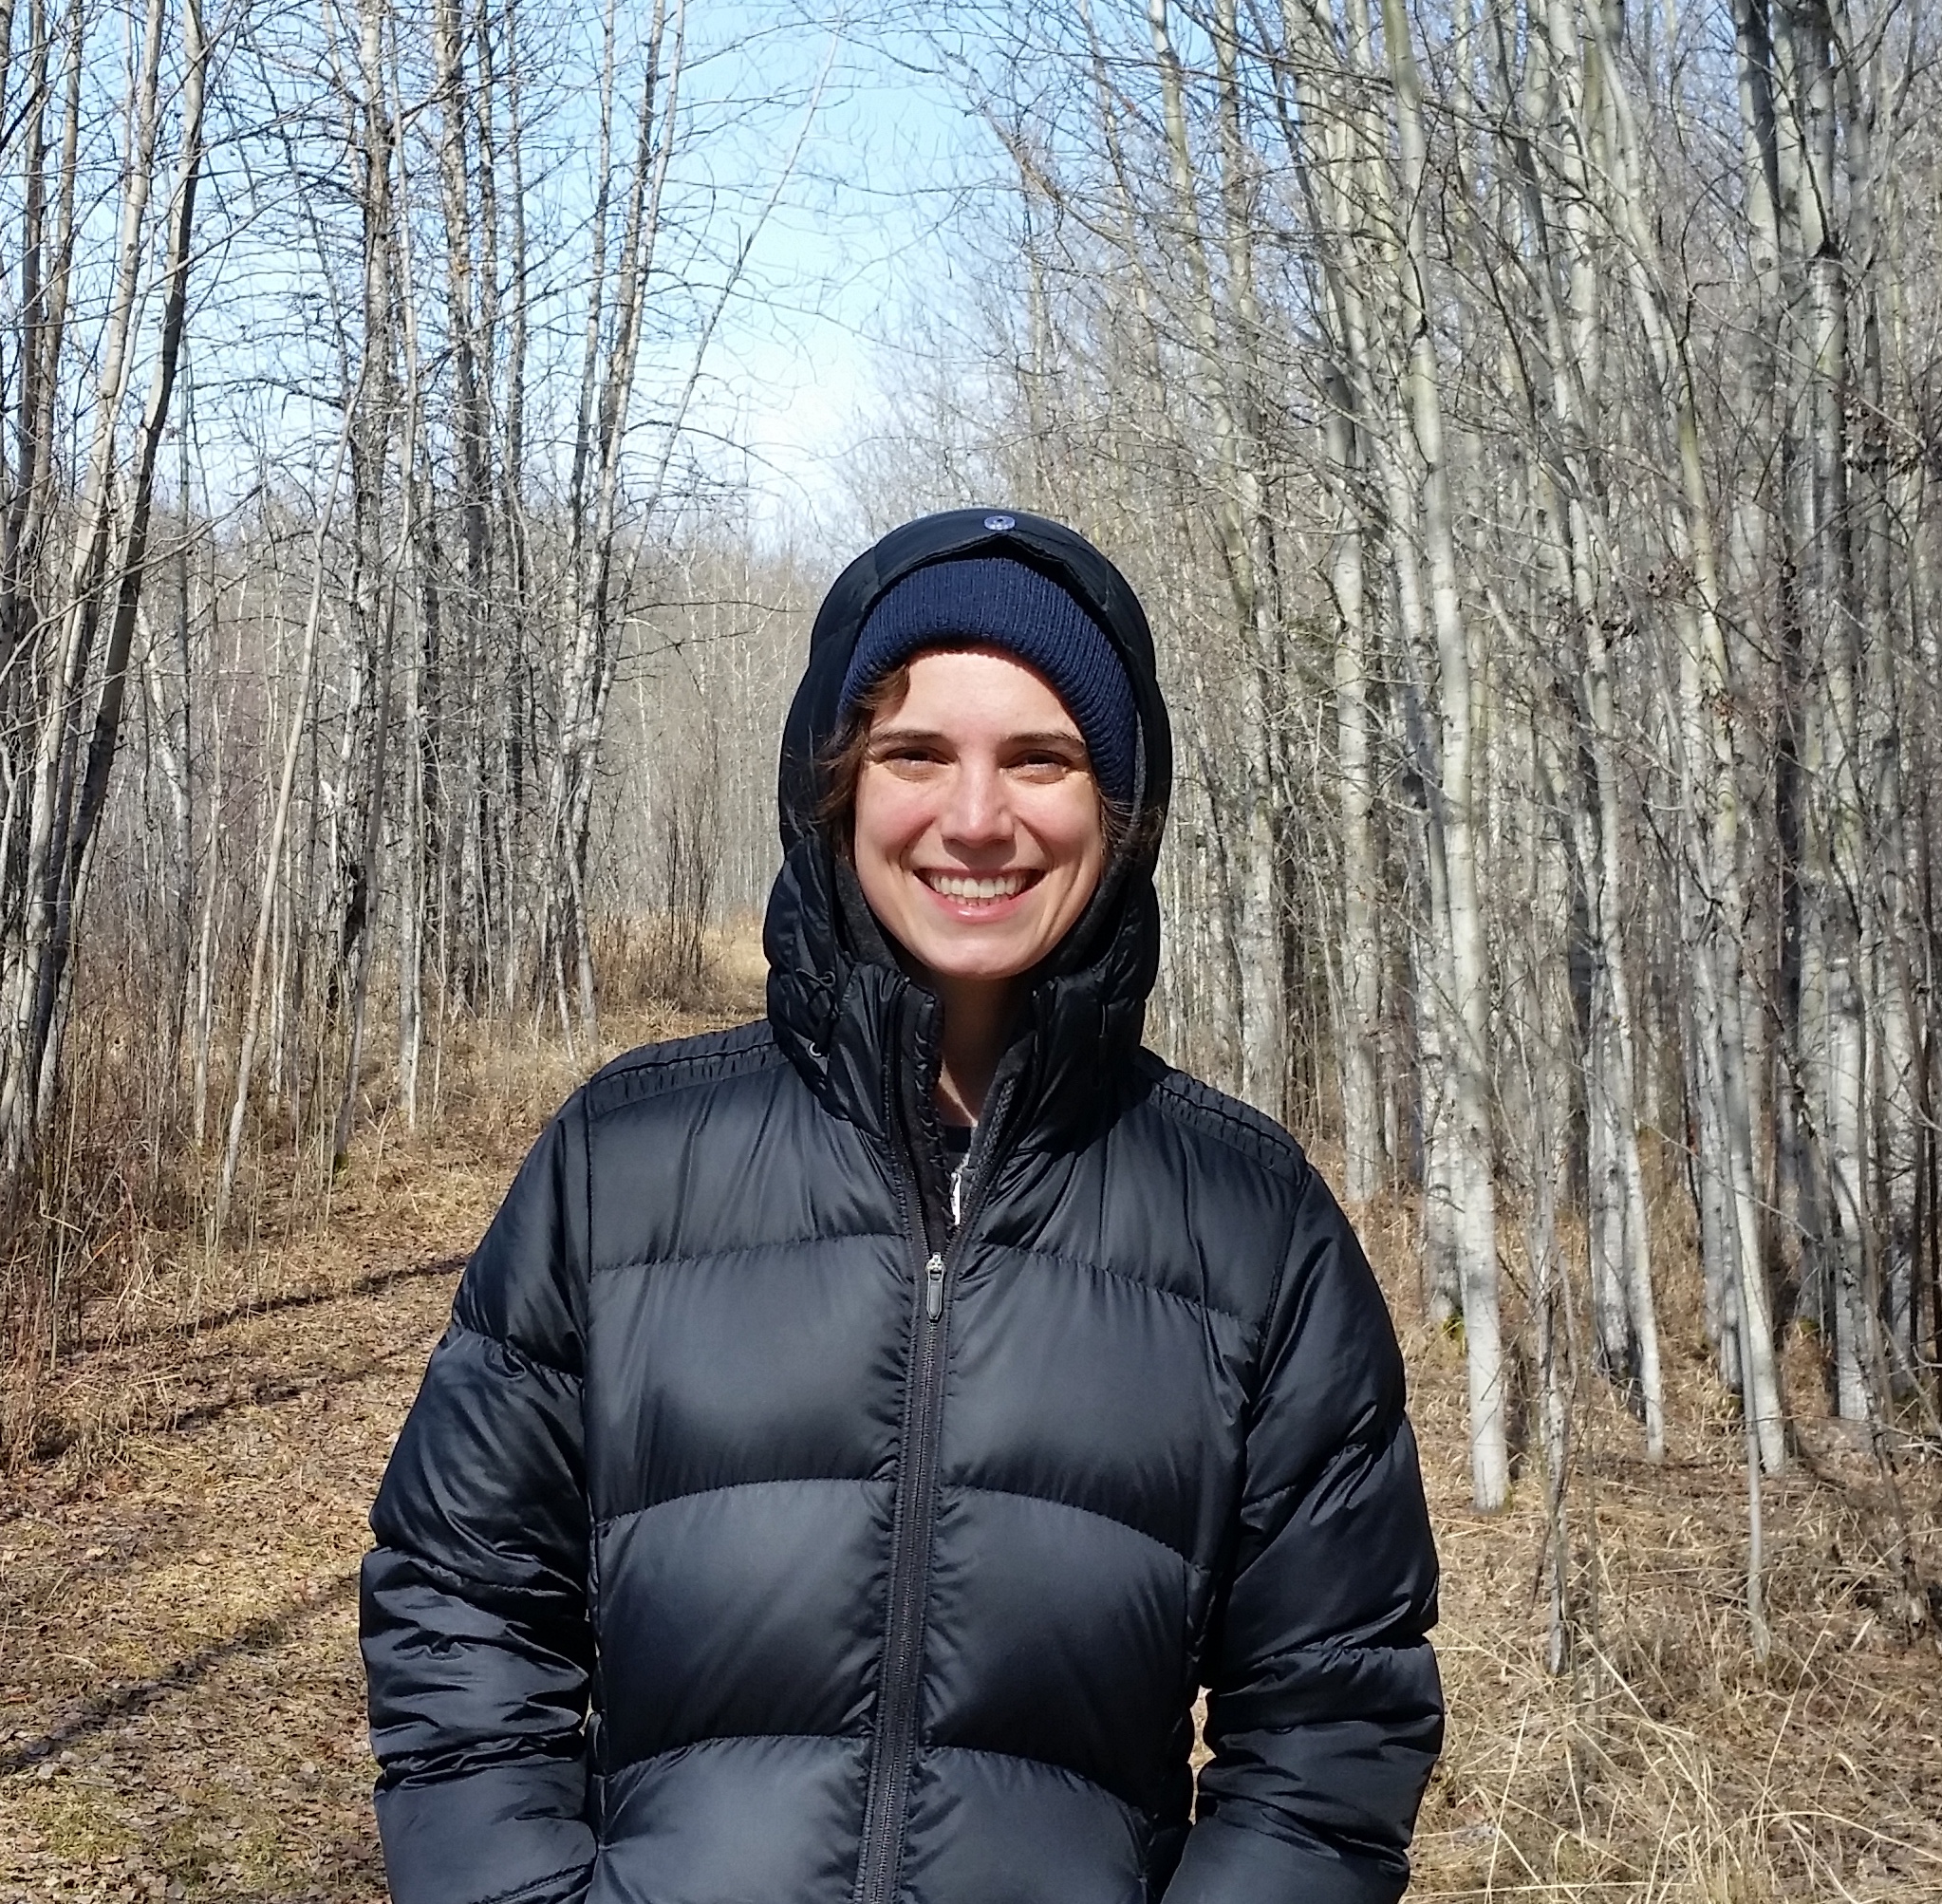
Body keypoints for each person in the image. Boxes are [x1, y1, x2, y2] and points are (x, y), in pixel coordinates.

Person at [360, 509, 1444, 1904]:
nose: (977, 817)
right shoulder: (623, 1162)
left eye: (1040, 759)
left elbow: (1329, 1724)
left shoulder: (1250, 1225)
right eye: (915, 752)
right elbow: (461, 1603)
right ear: (838, 791)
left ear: (1115, 810)